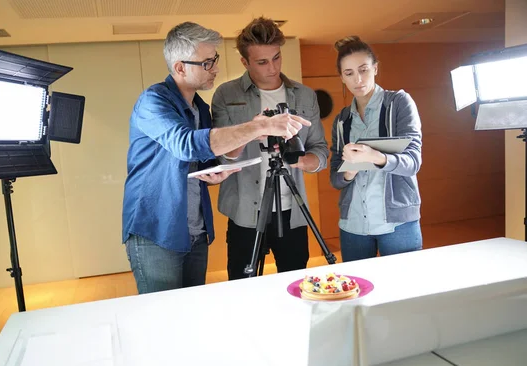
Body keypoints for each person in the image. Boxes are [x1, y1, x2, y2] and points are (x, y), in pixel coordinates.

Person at [122, 22, 311, 294]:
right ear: (180, 68)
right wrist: (259, 126)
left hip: (195, 230)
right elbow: (186, 145)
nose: (215, 68)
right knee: (164, 319)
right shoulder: (154, 101)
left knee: (194, 313)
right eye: (207, 63)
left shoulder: (199, 107)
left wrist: (215, 173)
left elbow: (202, 161)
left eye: (215, 60)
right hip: (156, 231)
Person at [212, 17, 329, 280]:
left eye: (276, 58)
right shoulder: (226, 95)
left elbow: (320, 149)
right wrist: (253, 130)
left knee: (296, 283)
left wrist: (303, 161)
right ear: (245, 62)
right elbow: (222, 155)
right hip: (245, 211)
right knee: (243, 286)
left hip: (293, 212)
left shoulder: (305, 95)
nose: (272, 68)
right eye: (262, 62)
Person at [329, 36, 423, 262]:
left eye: (363, 70)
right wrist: (348, 172)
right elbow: (335, 179)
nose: (358, 79)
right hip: (354, 224)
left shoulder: (399, 102)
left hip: (397, 223)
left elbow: (413, 162)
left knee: (406, 291)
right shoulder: (342, 120)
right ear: (342, 77)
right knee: (356, 293)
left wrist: (378, 158)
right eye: (349, 73)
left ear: (375, 68)